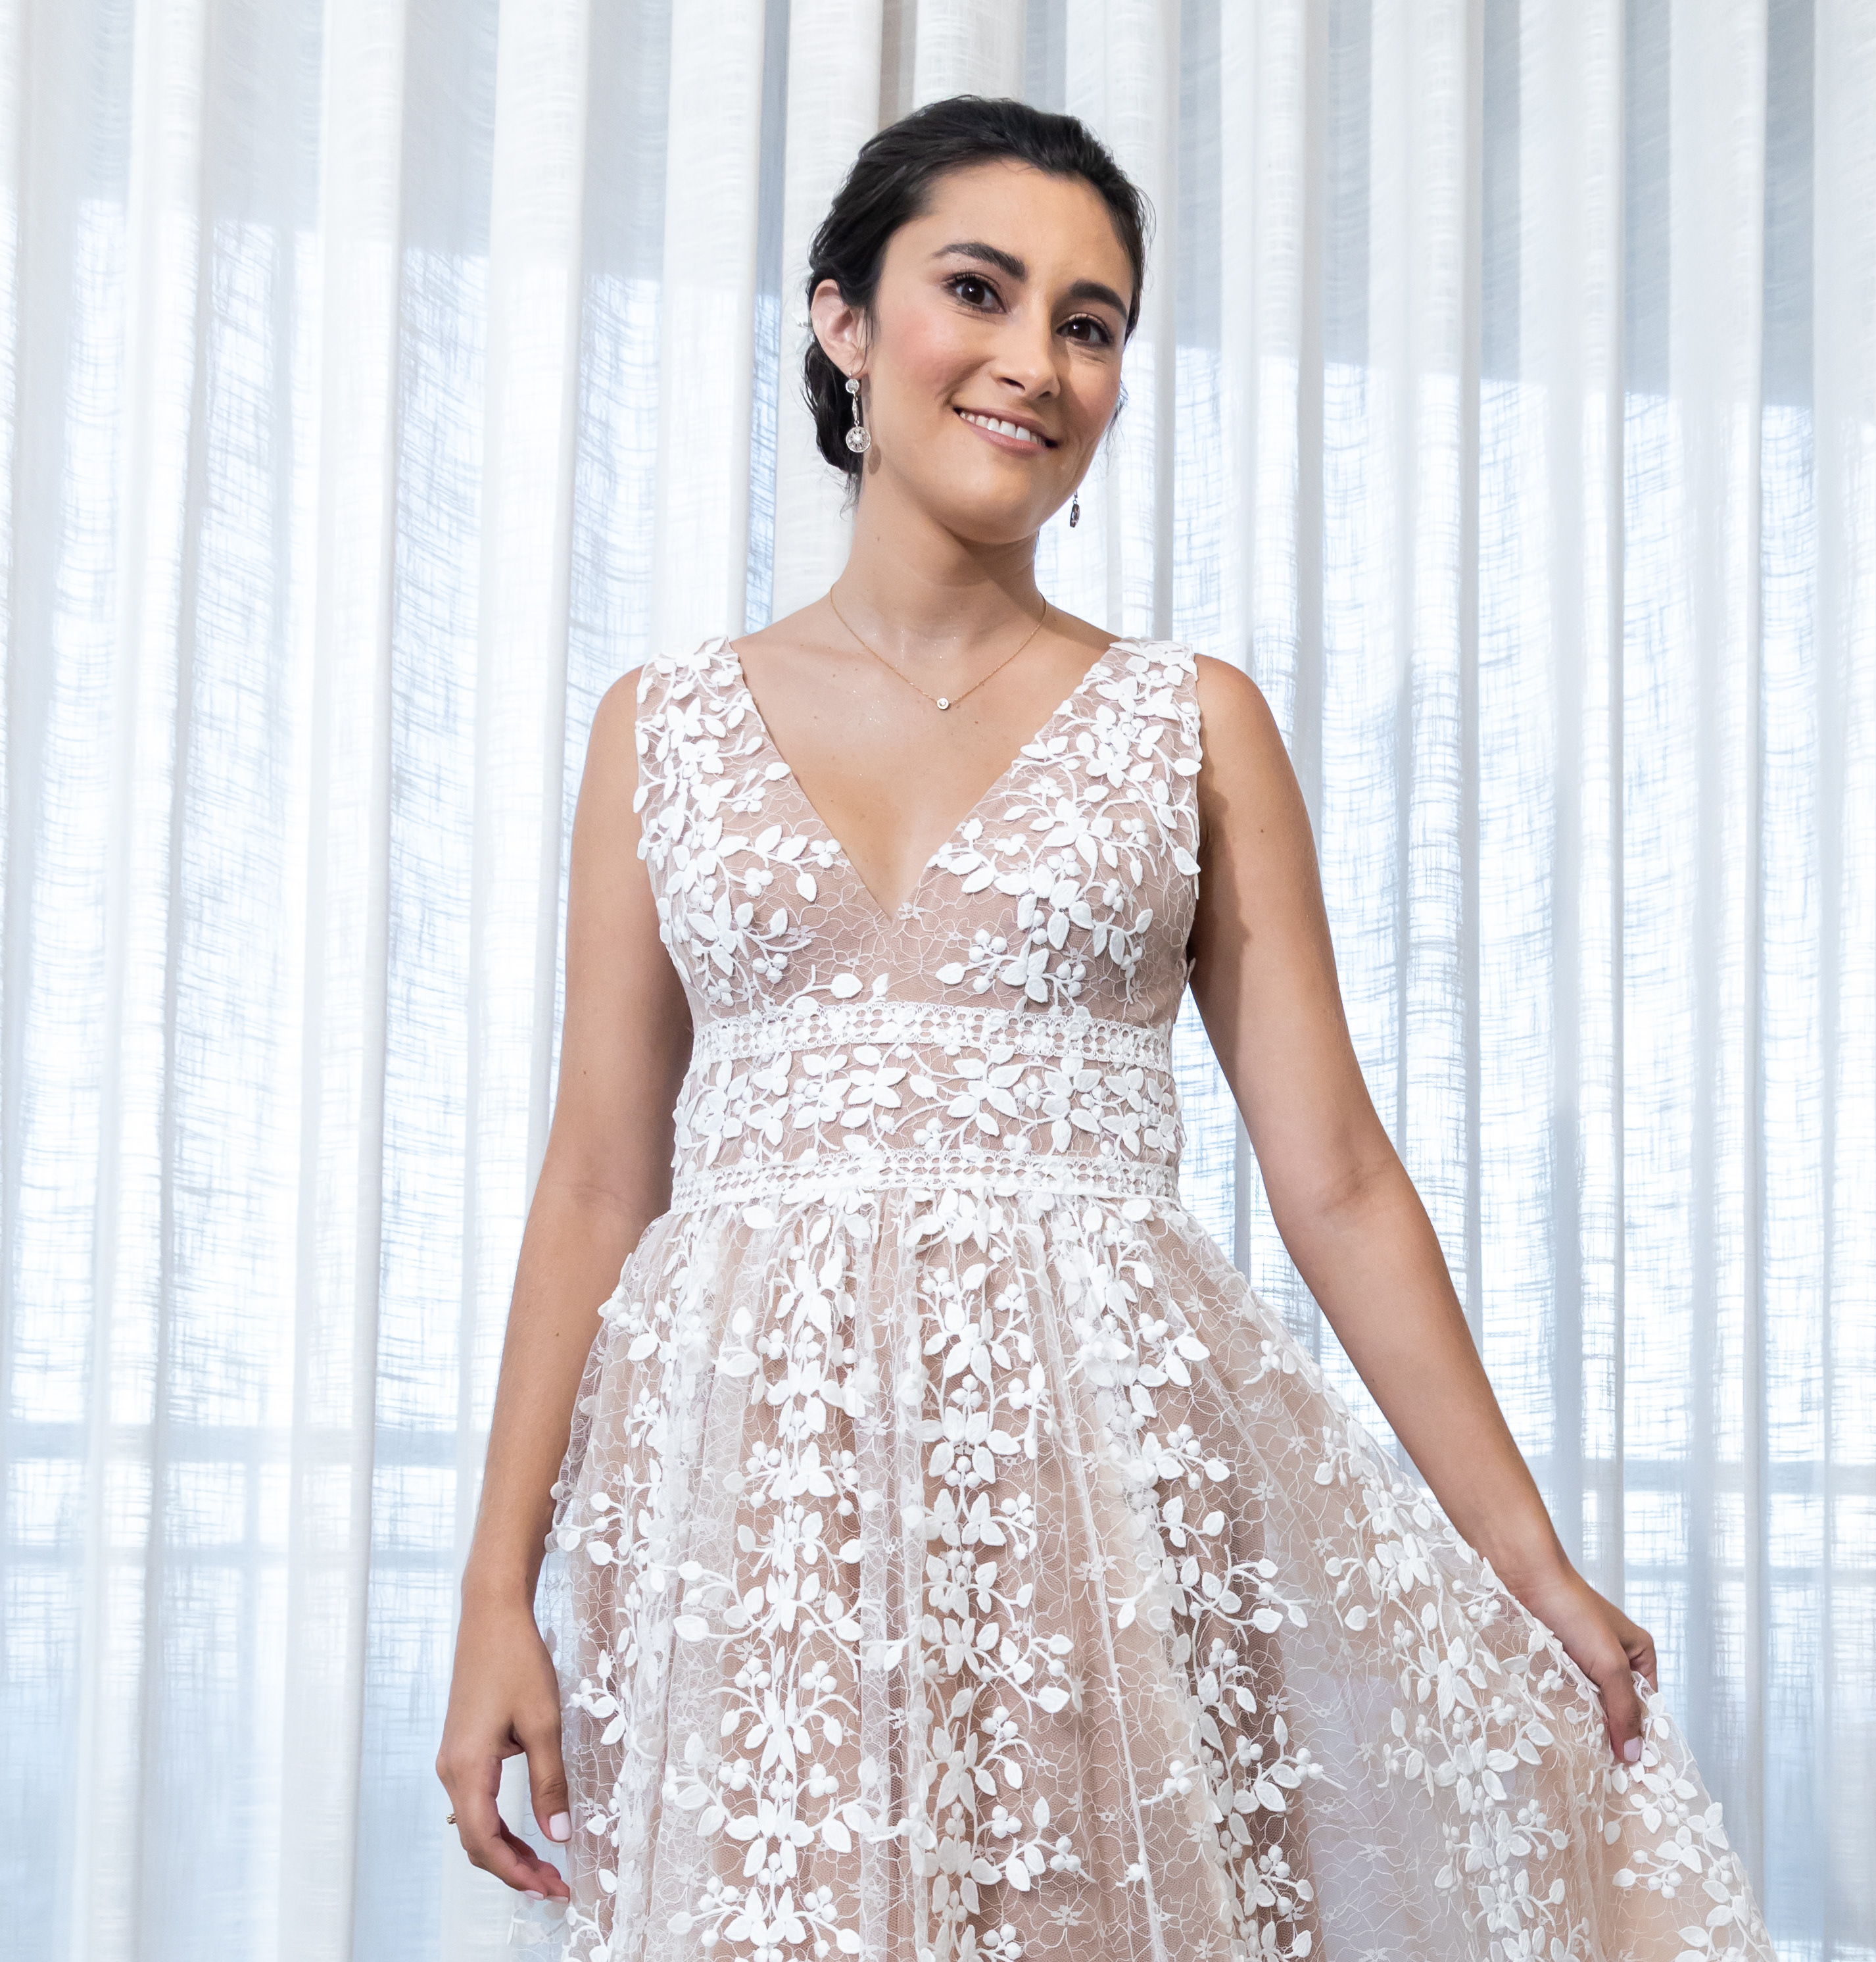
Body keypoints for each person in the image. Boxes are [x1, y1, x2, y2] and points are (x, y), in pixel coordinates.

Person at [438, 92, 1771, 1962]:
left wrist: (1525, 1556)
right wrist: (492, 1592)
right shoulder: (656, 729)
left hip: (1100, 1477)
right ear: (843, 321)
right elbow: (596, 1180)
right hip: (749, 1492)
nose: (1035, 361)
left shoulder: (1190, 721)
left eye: (1090, 323)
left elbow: (1335, 1176)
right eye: (977, 291)